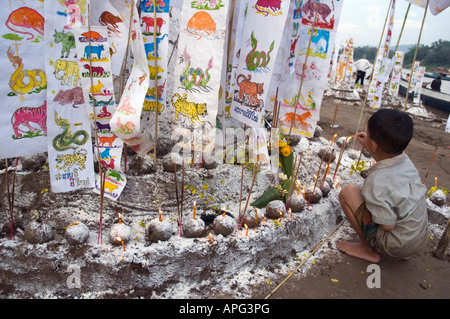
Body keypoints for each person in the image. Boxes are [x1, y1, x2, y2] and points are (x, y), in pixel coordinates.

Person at [337, 109, 429, 263]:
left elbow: (387, 226)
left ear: (374, 145)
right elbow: (385, 157)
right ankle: (401, 250)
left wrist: (371, 206)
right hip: (419, 239)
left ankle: (368, 250)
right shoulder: (406, 161)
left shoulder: (376, 181)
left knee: (348, 192)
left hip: (395, 245)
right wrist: (370, 145)